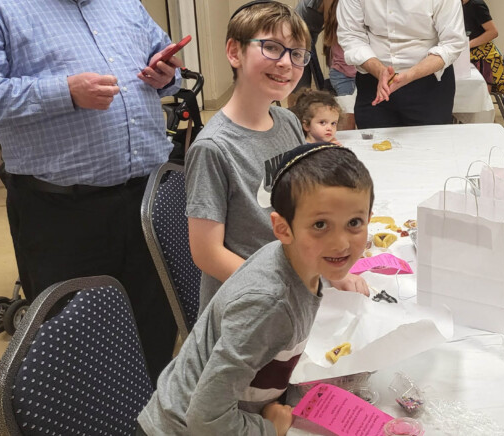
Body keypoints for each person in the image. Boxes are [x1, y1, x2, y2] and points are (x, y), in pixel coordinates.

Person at [0, 0, 179, 383]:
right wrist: (64, 93)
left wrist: (166, 74)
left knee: (154, 328)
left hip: (147, 202)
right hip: (63, 216)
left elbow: (163, 57)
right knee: (77, 348)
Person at [138, 143, 374, 436]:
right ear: (283, 228)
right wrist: (268, 427)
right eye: (320, 225)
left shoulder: (295, 261)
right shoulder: (269, 305)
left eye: (354, 223)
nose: (340, 243)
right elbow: (205, 419)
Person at [186, 1, 366, 313]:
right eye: (271, 48)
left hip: (295, 277)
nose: (286, 63)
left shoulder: (287, 122)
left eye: (296, 54)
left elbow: (305, 203)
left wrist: (330, 263)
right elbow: (208, 254)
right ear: (234, 52)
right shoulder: (213, 147)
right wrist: (281, 287)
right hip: (250, 302)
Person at [337, 0, 467, 129]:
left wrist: (410, 75)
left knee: (429, 152)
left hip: (428, 85)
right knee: (374, 149)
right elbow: (351, 35)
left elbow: (452, 43)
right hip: (374, 82)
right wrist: (380, 71)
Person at [446, 0, 504, 94]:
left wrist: (467, 45)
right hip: (474, 51)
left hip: (485, 58)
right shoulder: (463, 2)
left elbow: (493, 32)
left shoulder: (476, 4)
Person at [319, 0, 357, 130]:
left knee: (360, 113)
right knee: (349, 116)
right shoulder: (336, 10)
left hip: (357, 72)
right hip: (344, 73)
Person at [293, 0, 337, 90]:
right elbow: (330, 25)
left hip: (302, 31)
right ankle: (295, 107)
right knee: (302, 75)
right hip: (300, 33)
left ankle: (296, 104)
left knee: (302, 71)